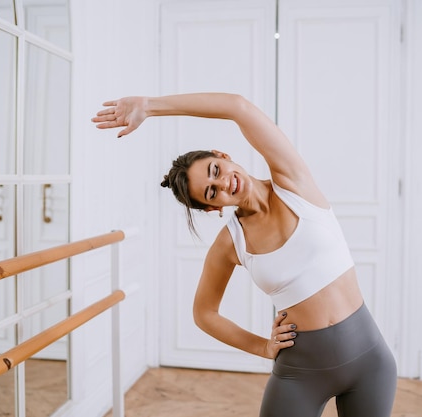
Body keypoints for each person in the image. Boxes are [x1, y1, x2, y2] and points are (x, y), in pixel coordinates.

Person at [91, 93, 397, 417]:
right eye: (212, 191)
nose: (223, 183)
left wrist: (149, 107)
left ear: (224, 156)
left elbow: (237, 107)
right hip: (302, 374)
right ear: (213, 207)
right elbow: (204, 313)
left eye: (215, 169)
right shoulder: (230, 244)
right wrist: (263, 347)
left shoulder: (292, 181)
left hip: (369, 362)